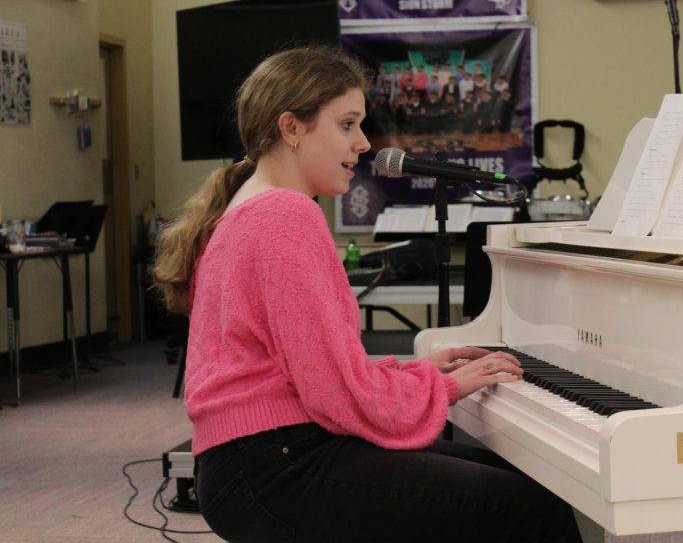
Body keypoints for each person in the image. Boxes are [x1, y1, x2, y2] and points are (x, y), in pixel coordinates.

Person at [152, 47, 583, 543]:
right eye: (348, 124)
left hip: (254, 460)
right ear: (292, 128)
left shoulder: (250, 209)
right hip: (274, 470)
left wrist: (419, 372)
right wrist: (443, 388)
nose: (363, 143)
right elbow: (335, 393)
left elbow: (313, 371)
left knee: (519, 484)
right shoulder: (284, 217)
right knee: (528, 508)